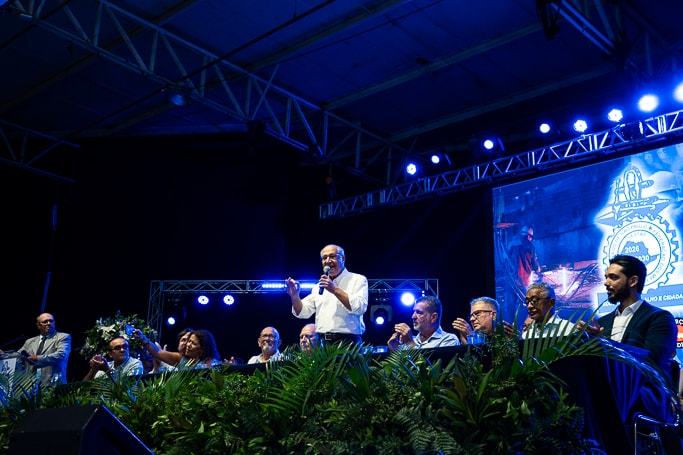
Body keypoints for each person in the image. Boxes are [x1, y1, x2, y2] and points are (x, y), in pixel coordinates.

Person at [582, 255, 677, 379]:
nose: (606, 283)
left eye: (613, 277)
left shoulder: (660, 318)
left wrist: (604, 343)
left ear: (633, 281)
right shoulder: (603, 322)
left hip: (644, 390)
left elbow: (651, 362)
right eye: (606, 277)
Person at [287, 244, 368, 345]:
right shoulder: (318, 286)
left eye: (332, 256)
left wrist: (334, 289)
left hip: (348, 341)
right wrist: (295, 296)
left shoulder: (358, 280)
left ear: (343, 258)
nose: (328, 261)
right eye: (324, 258)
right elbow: (302, 312)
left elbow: (360, 307)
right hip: (322, 341)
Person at [387, 295, 459, 352]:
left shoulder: (449, 340)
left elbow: (430, 366)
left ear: (433, 317)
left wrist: (410, 344)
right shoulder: (410, 340)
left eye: (419, 312)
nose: (413, 316)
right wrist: (394, 349)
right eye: (414, 312)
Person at [16, 313, 71, 386]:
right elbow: (18, 356)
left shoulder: (63, 337)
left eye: (51, 321)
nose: (49, 323)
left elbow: (61, 355)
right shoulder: (29, 342)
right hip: (30, 386)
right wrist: (5, 355)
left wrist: (37, 358)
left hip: (53, 384)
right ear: (38, 325)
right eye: (45, 322)